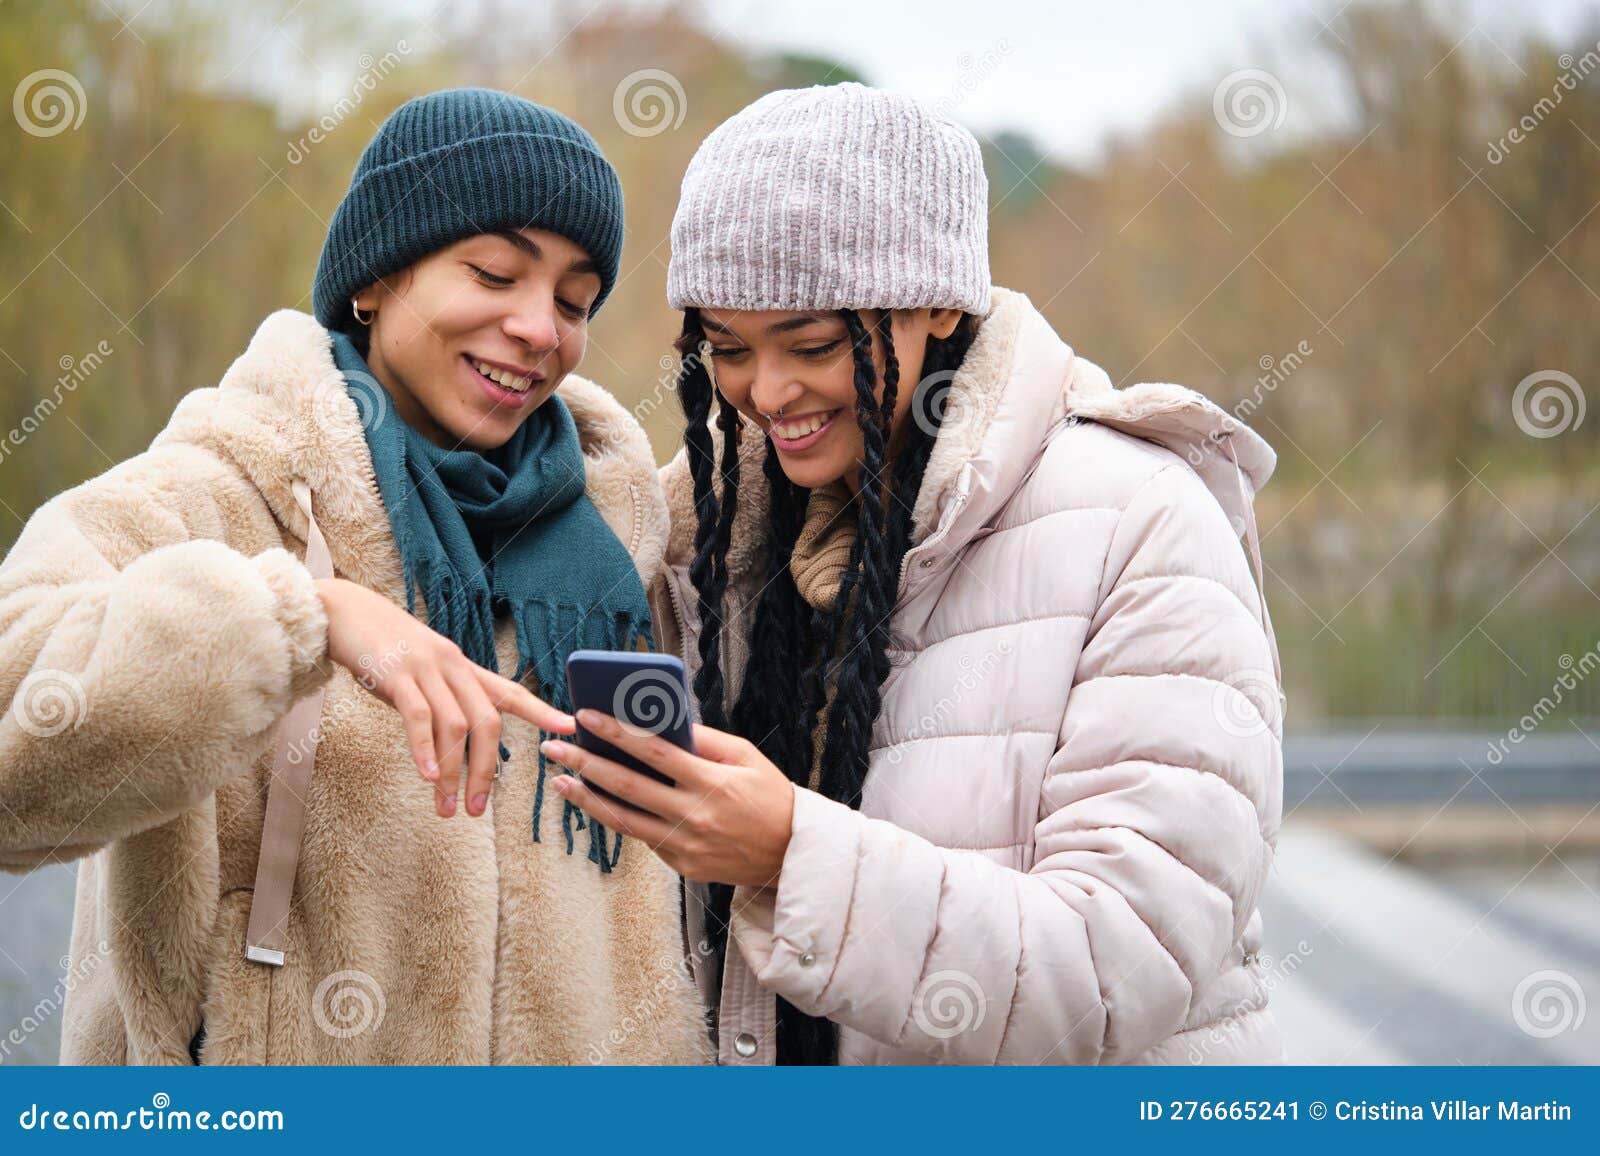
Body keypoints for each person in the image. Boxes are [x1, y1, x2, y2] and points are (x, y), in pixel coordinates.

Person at [542, 82, 1286, 1065]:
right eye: (726, 348)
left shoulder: (1141, 523)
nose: (766, 393)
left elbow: (1117, 973)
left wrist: (785, 852)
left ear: (941, 301)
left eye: (811, 344)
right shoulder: (708, 537)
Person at [0, 88, 708, 1065]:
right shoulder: (209, 492)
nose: (540, 326)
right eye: (496, 272)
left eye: (574, 300)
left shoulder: (626, 540)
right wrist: (301, 616)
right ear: (375, 279)